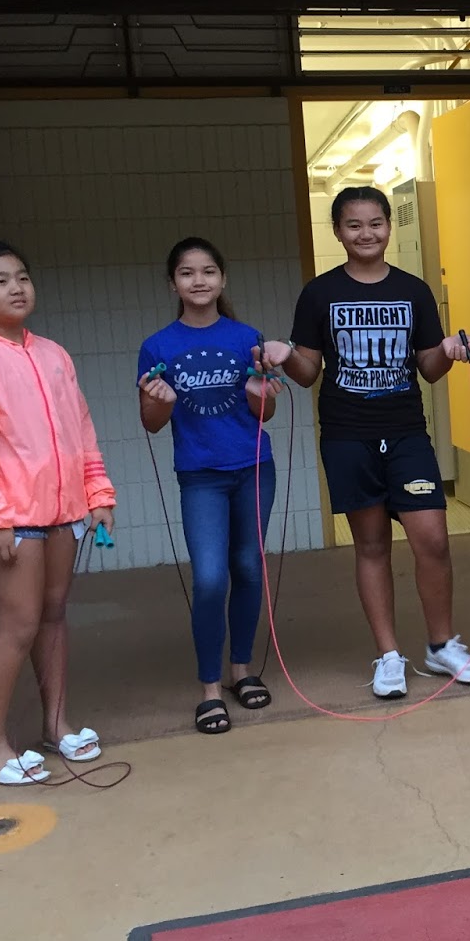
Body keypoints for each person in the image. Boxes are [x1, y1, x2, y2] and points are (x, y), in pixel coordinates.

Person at [258, 186, 470, 698]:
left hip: (406, 432)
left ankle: (440, 645)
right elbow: (309, 371)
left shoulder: (414, 290)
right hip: (346, 436)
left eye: (375, 223)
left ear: (389, 226)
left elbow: (429, 369)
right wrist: (283, 352)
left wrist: (449, 350)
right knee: (371, 545)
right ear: (338, 232)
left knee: (432, 539)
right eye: (354, 225)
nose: (366, 233)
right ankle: (388, 657)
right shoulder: (319, 293)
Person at [0, 241, 116, 785]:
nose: (16, 288)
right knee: (18, 625)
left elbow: (80, 430)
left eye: (23, 277)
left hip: (62, 512)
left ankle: (57, 726)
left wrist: (98, 495)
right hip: (10, 516)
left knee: (54, 618)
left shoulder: (53, 354)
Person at [138, 237, 282, 735]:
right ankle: (209, 689)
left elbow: (268, 411)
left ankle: (241, 670)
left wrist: (259, 392)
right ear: (173, 282)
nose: (198, 281)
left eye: (207, 272)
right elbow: (152, 422)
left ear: (222, 278)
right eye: (186, 273)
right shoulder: (157, 346)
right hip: (200, 476)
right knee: (209, 578)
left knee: (247, 567)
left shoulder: (247, 337)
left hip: (253, 467)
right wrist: (160, 400)